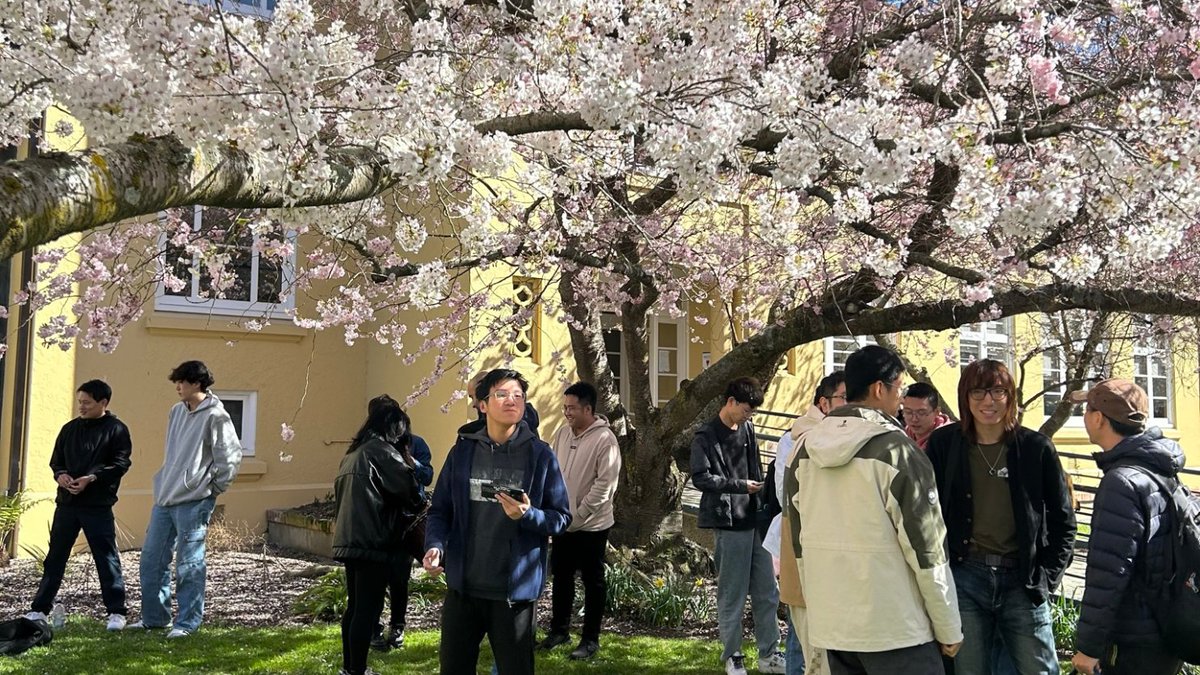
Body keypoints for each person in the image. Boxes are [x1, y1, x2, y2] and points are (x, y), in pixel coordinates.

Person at [791, 345, 962, 674]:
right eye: (899, 389)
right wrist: (949, 626)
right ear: (879, 388)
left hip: (834, 627)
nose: (900, 400)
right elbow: (927, 550)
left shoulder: (805, 449)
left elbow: (800, 544)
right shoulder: (898, 450)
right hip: (897, 629)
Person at [925, 359, 1075, 675]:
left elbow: (1064, 522)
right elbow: (927, 513)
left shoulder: (1036, 448)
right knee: (969, 669)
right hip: (966, 576)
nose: (988, 401)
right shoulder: (944, 444)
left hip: (1022, 578)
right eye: (978, 392)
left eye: (997, 391)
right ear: (965, 397)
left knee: (1039, 669)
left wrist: (1046, 578)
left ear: (1010, 397)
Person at [423, 368, 571, 675]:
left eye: (518, 395)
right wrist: (435, 545)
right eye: (501, 394)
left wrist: (528, 515)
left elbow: (561, 518)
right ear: (482, 404)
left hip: (513, 595)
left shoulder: (540, 456)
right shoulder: (462, 452)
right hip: (464, 589)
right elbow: (440, 510)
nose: (511, 401)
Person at [1070, 379, 1185, 675]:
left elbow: (1109, 572)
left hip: (1133, 639)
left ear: (1098, 418)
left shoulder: (1120, 482)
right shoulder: (1158, 468)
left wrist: (1089, 647)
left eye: (1086, 410)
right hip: (1164, 627)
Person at [133, 360, 242, 638]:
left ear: (197, 383)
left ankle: (187, 623)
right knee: (151, 559)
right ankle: (155, 619)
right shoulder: (176, 412)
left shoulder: (216, 416)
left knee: (189, 563)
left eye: (182, 381)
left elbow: (229, 457)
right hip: (165, 498)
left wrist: (211, 489)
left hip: (194, 500)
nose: (178, 387)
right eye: (176, 382)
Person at [691, 376, 785, 675]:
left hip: (755, 522)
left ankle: (769, 654)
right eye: (746, 410)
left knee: (768, 592)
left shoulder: (747, 428)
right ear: (731, 402)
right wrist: (740, 486)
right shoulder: (705, 436)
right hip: (728, 524)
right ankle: (733, 656)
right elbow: (701, 478)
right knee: (732, 594)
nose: (749, 416)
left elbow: (755, 466)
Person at [25, 380, 132, 632]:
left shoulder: (116, 430)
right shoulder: (69, 429)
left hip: (97, 505)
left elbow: (121, 464)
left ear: (103, 403)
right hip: (67, 504)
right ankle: (39, 608)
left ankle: (116, 612)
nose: (81, 406)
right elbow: (56, 461)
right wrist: (61, 475)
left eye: (87, 402)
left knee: (106, 558)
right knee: (55, 558)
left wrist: (91, 479)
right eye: (80, 401)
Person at [333, 395, 426, 675]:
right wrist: (409, 464)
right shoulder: (383, 453)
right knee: (367, 609)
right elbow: (411, 493)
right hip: (375, 540)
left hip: (352, 539)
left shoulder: (353, 454)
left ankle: (350, 667)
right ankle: (357, 669)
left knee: (355, 607)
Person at [763, 371, 845, 675]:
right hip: (803, 544)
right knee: (804, 627)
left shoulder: (848, 436)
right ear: (824, 403)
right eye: (844, 398)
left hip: (835, 549)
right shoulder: (796, 438)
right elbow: (790, 496)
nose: (851, 405)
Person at [540, 381, 621, 660]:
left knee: (592, 581)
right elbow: (552, 471)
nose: (567, 413)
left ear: (588, 409)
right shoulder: (562, 434)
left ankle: (590, 639)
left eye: (572, 408)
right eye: (565, 408)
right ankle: (559, 630)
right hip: (563, 522)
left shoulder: (605, 440)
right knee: (561, 577)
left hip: (592, 525)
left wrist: (580, 514)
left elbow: (605, 485)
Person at [370, 426, 433, 653]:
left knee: (399, 580)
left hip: (408, 523)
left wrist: (412, 462)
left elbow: (427, 476)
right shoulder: (374, 449)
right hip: (381, 523)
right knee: (376, 579)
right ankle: (374, 627)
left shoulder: (417, 444)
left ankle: (397, 626)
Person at [901, 382, 951, 451]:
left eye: (921, 413)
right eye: (908, 412)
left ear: (936, 412)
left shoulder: (947, 440)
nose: (914, 419)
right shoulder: (902, 436)